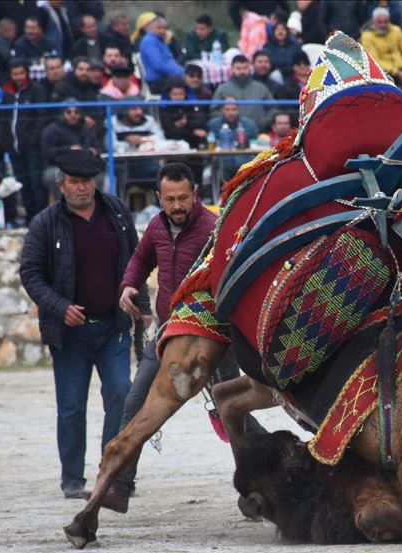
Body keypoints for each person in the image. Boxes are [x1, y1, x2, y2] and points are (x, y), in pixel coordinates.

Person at [106, 163, 264, 511]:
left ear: (195, 195)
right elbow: (140, 259)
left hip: (214, 338)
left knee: (233, 409)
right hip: (167, 332)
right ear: (159, 199)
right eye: (170, 199)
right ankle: (119, 487)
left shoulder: (214, 229)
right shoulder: (157, 227)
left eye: (183, 198)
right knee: (134, 405)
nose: (177, 206)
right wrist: (129, 284)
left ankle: (261, 482)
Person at [18, 150, 146, 499]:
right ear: (61, 184)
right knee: (72, 405)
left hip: (113, 326)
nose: (81, 188)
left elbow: (138, 262)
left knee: (121, 394)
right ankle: (72, 479)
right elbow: (30, 273)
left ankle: (112, 472)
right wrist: (59, 308)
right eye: (74, 182)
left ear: (95, 182)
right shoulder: (45, 222)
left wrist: (142, 307)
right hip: (70, 333)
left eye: (86, 181)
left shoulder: (117, 213)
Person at [0, 57, 48, 222]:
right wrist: (6, 141)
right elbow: (2, 117)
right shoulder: (6, 93)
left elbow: (42, 117)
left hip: (31, 146)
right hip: (13, 146)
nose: (18, 77)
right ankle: (29, 217)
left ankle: (40, 218)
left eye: (21, 73)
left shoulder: (37, 90)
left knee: (36, 183)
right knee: (22, 183)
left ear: (26, 73)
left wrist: (33, 138)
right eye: (15, 74)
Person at [40, 100, 101, 200]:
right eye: (69, 112)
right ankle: (62, 208)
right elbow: (46, 153)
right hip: (57, 167)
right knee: (54, 176)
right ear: (62, 113)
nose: (73, 115)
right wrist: (68, 150)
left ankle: (94, 208)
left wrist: (93, 151)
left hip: (84, 167)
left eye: (76, 112)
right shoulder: (51, 130)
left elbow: (97, 148)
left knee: (100, 177)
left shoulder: (85, 130)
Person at [211, 55, 274, 131]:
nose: (242, 71)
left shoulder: (261, 87)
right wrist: (227, 123)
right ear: (232, 69)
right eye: (238, 68)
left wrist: (263, 123)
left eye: (245, 68)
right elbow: (214, 111)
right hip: (229, 132)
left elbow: (272, 108)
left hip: (259, 131)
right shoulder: (222, 89)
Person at [360, 7, 402, 83]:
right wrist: (395, 71)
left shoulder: (396, 30)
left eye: (385, 21)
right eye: (380, 22)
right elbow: (374, 60)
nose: (383, 25)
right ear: (373, 22)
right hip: (383, 71)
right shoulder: (366, 36)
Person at [139, 16, 184, 94]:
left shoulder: (160, 40)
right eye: (159, 28)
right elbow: (159, 65)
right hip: (157, 81)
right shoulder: (150, 41)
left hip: (167, 77)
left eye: (164, 28)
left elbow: (169, 62)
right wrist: (179, 73)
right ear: (150, 29)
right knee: (191, 82)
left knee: (194, 78)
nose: (162, 31)